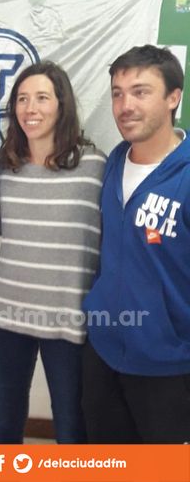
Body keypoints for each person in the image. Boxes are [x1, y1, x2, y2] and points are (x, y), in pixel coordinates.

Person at [0, 62, 106, 444]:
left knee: (71, 429)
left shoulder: (94, 165)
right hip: (7, 315)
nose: (30, 108)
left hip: (67, 318)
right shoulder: (6, 167)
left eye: (42, 98)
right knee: (4, 426)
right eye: (22, 99)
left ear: (62, 105)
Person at [82, 45, 190, 443]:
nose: (125, 105)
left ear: (173, 97)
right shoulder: (114, 162)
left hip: (170, 366)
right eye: (118, 93)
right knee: (110, 465)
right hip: (103, 353)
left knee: (165, 469)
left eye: (141, 92)